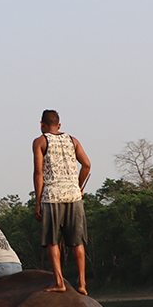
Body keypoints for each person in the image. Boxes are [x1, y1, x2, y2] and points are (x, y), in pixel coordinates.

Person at [33, 109, 92, 295]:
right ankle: (82, 283)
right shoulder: (73, 141)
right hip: (74, 196)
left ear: (42, 125)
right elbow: (87, 165)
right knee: (77, 243)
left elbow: (38, 173)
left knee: (52, 242)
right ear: (59, 126)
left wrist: (37, 202)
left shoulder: (40, 141)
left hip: (52, 196)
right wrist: (78, 186)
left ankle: (59, 282)